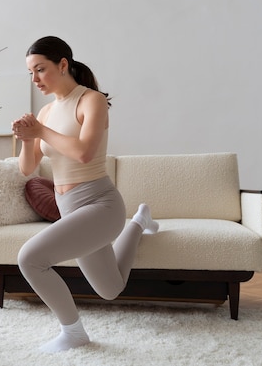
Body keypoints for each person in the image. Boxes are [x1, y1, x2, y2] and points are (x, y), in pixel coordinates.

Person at [11, 36, 159, 353]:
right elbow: (28, 168)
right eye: (30, 73)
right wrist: (27, 138)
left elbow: (84, 153)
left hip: (100, 206)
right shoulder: (47, 112)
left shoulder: (90, 100)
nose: (35, 79)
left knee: (30, 258)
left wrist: (39, 131)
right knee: (110, 288)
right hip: (71, 209)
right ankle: (139, 221)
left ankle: (74, 333)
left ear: (63, 64)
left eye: (40, 69)